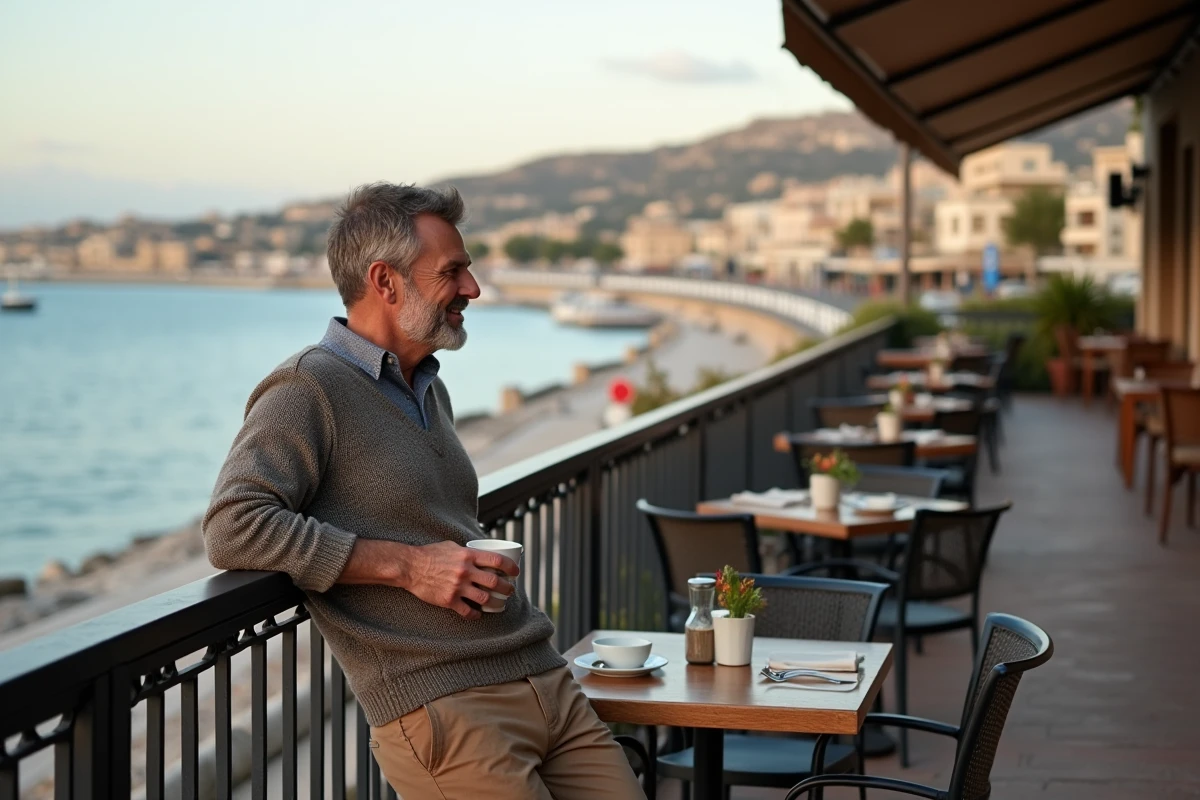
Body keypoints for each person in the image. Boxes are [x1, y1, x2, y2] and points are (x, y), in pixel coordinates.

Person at [203, 183, 642, 798]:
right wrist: (409, 567)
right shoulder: (308, 389)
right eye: (453, 271)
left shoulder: (430, 387)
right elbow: (233, 525)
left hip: (543, 675)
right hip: (446, 708)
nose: (473, 288)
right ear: (385, 281)